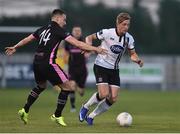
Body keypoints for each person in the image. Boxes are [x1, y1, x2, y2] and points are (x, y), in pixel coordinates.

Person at [5, 9, 107, 127]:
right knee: (67, 87)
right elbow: (77, 43)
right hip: (48, 63)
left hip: (37, 62)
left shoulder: (42, 29)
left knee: (41, 86)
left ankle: (25, 110)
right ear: (58, 18)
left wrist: (15, 46)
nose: (65, 22)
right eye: (64, 19)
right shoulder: (59, 30)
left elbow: (28, 39)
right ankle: (57, 115)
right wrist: (96, 49)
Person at [79, 12, 144, 125]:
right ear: (118, 24)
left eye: (128, 25)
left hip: (114, 69)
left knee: (113, 98)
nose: (126, 27)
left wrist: (137, 60)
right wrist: (90, 48)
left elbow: (132, 54)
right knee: (103, 94)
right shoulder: (107, 32)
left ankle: (91, 116)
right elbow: (89, 37)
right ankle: (85, 106)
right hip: (100, 66)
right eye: (124, 24)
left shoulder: (129, 38)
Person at [64, 26, 88, 112]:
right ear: (72, 32)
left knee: (81, 92)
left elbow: (89, 51)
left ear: (81, 32)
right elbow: (66, 53)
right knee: (71, 86)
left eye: (79, 31)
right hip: (72, 68)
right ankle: (73, 107)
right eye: (75, 31)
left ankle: (79, 87)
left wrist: (87, 54)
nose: (77, 32)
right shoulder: (68, 41)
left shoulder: (84, 41)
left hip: (82, 69)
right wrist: (65, 65)